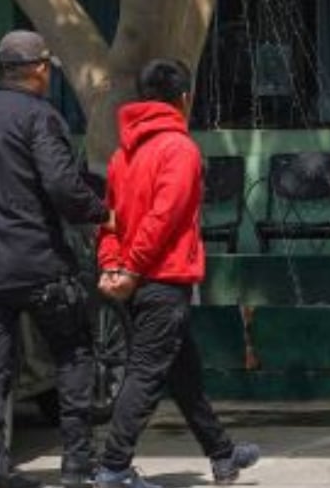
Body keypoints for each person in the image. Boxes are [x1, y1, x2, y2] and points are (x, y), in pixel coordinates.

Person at [0, 30, 110, 488]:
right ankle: (75, 464)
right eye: (48, 68)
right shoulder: (40, 117)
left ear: (0, 71)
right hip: (40, 262)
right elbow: (61, 184)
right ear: (39, 70)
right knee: (73, 353)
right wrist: (99, 212)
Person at [93, 58, 260, 488]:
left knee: (184, 373)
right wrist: (129, 267)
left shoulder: (122, 154)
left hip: (136, 279)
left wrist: (113, 263)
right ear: (183, 99)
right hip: (162, 279)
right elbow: (163, 219)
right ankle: (114, 466)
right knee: (147, 373)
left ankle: (222, 455)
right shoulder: (179, 149)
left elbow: (109, 220)